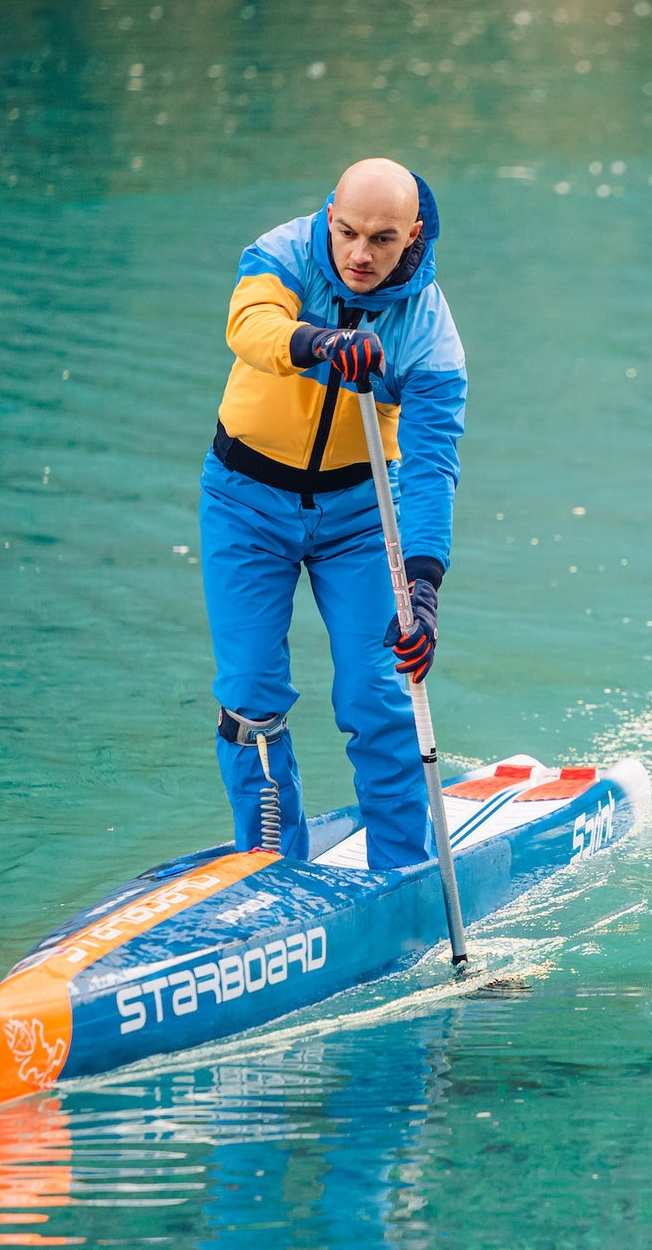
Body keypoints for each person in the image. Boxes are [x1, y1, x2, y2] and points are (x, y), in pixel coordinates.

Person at [200, 158, 465, 869]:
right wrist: (315, 342)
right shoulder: (281, 253)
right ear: (329, 216)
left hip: (358, 517)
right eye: (346, 231)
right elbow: (249, 324)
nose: (359, 254)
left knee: (377, 693)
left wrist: (424, 584)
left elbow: (434, 462)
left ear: (411, 235)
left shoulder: (429, 334)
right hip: (245, 502)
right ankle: (268, 873)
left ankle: (404, 870)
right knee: (251, 700)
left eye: (382, 239)